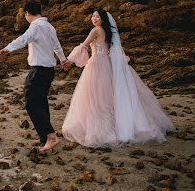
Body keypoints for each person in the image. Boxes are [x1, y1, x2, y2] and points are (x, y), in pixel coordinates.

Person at [62, 8, 174, 148]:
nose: (94, 19)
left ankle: (98, 129)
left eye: (97, 16)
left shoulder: (96, 31)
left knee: (95, 97)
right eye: (93, 16)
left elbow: (82, 47)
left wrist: (69, 60)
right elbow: (110, 51)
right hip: (106, 65)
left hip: (96, 64)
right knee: (106, 96)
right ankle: (113, 125)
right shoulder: (108, 32)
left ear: (103, 19)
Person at [0, 0, 67, 152]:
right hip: (48, 71)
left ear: (27, 13)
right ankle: (44, 137)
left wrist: (7, 49)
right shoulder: (49, 27)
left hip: (39, 71)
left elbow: (23, 39)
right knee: (41, 102)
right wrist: (63, 60)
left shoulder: (35, 26)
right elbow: (57, 46)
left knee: (31, 103)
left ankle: (51, 137)